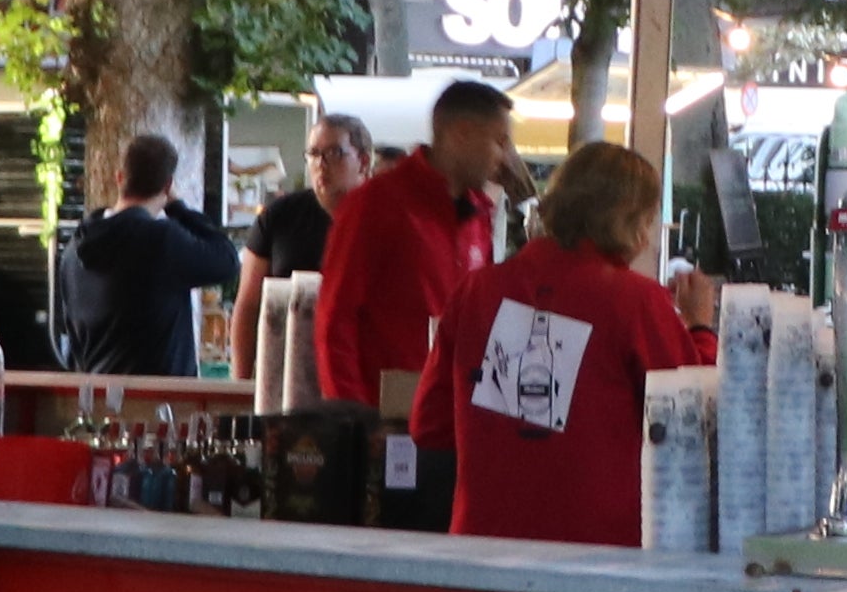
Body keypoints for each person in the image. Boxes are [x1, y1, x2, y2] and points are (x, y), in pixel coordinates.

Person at [419, 139, 714, 546]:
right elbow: (694, 424)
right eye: (648, 220)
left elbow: (429, 427)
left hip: (481, 552)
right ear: (630, 221)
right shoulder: (634, 300)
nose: (649, 237)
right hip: (598, 561)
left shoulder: (476, 291)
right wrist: (701, 327)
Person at [311, 78, 514, 510]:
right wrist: (353, 422)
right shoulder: (376, 205)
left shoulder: (479, 215)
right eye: (499, 141)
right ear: (460, 135)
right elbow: (335, 319)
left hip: (456, 426)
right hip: (386, 425)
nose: (506, 156)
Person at [57, 130, 243, 377]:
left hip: (99, 399)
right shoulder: (161, 241)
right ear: (167, 186)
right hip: (158, 403)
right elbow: (228, 260)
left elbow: (69, 335)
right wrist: (178, 207)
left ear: (119, 178)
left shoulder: (73, 251)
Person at [231, 112, 365, 371]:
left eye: (335, 153)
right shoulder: (280, 216)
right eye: (314, 154)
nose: (321, 164)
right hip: (285, 367)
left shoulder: (384, 217)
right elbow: (248, 305)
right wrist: (241, 382)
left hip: (357, 371)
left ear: (363, 160)